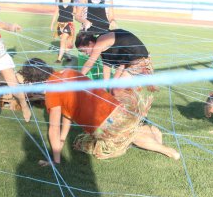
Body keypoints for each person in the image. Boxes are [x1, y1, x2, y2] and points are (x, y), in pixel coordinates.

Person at [16, 61, 179, 163]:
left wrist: (55, 159)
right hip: (116, 107)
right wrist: (62, 138)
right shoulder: (68, 72)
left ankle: (167, 151)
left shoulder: (52, 91)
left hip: (104, 121)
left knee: (129, 136)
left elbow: (53, 128)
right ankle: (151, 132)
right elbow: (68, 114)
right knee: (84, 145)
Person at [50, 0, 77, 64]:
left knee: (63, 40)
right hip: (60, 24)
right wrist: (52, 24)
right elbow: (55, 13)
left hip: (69, 24)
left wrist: (74, 12)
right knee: (66, 42)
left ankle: (59, 58)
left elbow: (75, 12)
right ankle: (68, 56)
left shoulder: (73, 3)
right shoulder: (59, 2)